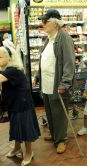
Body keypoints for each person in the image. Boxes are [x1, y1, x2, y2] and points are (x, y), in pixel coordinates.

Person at [0, 46, 40, 166]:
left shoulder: (12, 70)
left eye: (0, 57)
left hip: (22, 104)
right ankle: (17, 148)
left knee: (25, 128)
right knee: (15, 126)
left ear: (9, 59)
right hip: (13, 103)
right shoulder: (5, 69)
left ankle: (29, 152)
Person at [35, 9, 75, 153]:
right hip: (46, 83)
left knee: (59, 113)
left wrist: (65, 83)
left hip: (57, 84)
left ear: (55, 23)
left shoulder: (64, 38)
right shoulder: (49, 38)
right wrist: (38, 75)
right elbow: (44, 60)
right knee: (50, 112)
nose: (43, 24)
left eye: (46, 21)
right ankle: (54, 135)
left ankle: (61, 139)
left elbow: (69, 63)